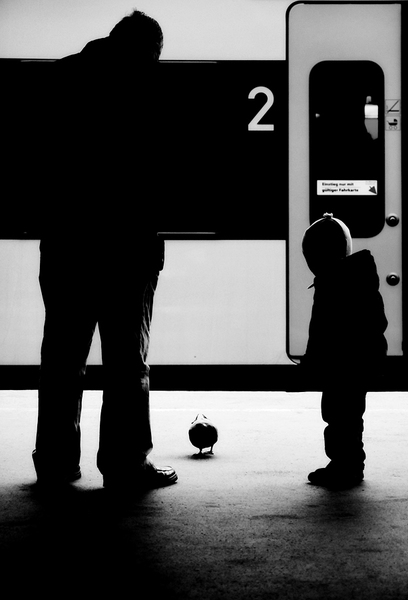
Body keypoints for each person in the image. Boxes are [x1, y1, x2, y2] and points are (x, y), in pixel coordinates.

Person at [32, 10, 177, 491]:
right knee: (126, 363)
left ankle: (54, 462)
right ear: (149, 50)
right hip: (126, 247)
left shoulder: (59, 78)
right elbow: (161, 168)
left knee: (62, 358)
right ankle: (125, 463)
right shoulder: (147, 87)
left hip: (66, 243)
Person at [301, 213, 388, 489]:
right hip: (361, 361)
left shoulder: (331, 283)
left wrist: (310, 363)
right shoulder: (360, 275)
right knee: (349, 416)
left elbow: (321, 332)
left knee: (338, 416)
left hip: (342, 365)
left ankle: (345, 467)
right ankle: (349, 464)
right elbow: (377, 321)